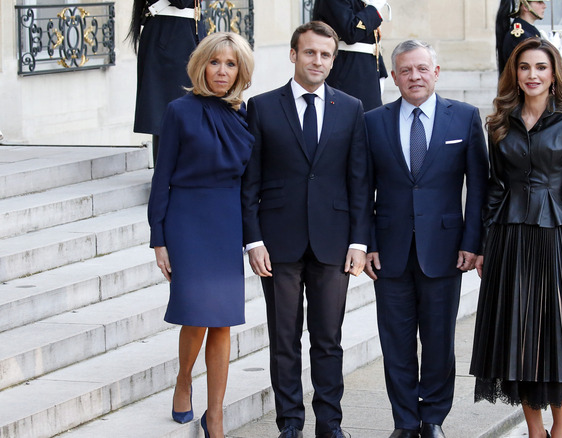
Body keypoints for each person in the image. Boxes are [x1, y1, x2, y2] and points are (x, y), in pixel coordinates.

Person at [469, 38, 562, 438]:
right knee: (517, 334)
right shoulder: (499, 122)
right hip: (509, 241)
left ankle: (561, 431)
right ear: (514, 73)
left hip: (557, 241)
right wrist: (483, 246)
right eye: (524, 67)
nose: (532, 75)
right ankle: (535, 433)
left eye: (541, 68)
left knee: (557, 336)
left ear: (554, 75)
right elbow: (495, 189)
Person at [240, 21, 371, 438]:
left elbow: (359, 180)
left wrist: (358, 241)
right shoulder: (261, 107)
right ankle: (290, 425)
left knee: (328, 339)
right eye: (310, 52)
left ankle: (330, 425)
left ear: (334, 60)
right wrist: (253, 239)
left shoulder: (350, 108)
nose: (318, 60)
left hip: (334, 242)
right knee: (284, 339)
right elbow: (250, 182)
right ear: (294, 55)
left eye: (326, 54)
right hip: (277, 242)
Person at [364, 40, 489, 438]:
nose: (414, 77)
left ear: (436, 72)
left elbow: (479, 186)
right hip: (390, 252)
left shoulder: (465, 118)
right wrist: (368, 243)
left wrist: (473, 242)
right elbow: (361, 189)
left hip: (445, 251)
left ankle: (432, 418)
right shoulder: (373, 122)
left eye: (422, 69)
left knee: (438, 343)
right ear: (395, 76)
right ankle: (404, 421)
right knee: (396, 343)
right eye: (406, 70)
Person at [147, 32, 255, 438]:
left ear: (240, 70)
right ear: (201, 66)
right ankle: (183, 379)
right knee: (195, 316)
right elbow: (162, 178)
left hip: (227, 221)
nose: (222, 71)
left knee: (222, 322)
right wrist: (158, 238)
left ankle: (216, 416)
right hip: (187, 221)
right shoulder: (178, 111)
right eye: (215, 63)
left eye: (230, 64)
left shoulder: (246, 114)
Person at [128, 0, 205, 164]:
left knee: (193, 109)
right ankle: (166, 177)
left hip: (188, 30)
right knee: (170, 110)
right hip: (171, 36)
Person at [312, 0, 389, 111]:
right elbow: (351, 32)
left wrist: (380, 71)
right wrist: (373, 9)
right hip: (348, 70)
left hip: (368, 70)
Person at [496, 0, 547, 76]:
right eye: (539, 2)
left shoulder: (531, 31)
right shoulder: (519, 36)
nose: (544, 6)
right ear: (525, 7)